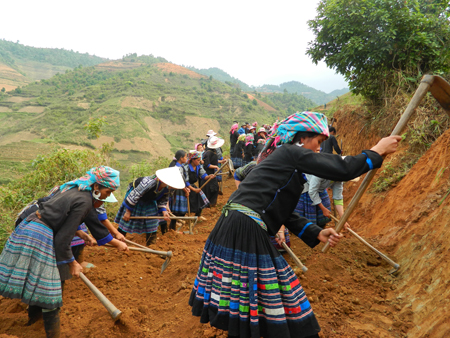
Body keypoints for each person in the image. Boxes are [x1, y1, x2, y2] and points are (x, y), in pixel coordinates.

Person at [189, 111, 401, 338]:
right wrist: (377, 150)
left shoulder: (281, 162)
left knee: (247, 298)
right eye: (318, 142)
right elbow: (343, 168)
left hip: (233, 223)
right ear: (302, 138)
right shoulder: (290, 153)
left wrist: (316, 232)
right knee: (281, 295)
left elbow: (282, 212)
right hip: (245, 226)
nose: (319, 149)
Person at [0, 166, 128, 338]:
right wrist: (73, 263)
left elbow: (59, 216)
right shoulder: (84, 200)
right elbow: (62, 240)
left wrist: (80, 233)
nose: (107, 195)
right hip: (39, 236)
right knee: (50, 292)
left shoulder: (75, 189)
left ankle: (34, 324)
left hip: (32, 228)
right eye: (108, 191)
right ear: (96, 187)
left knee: (42, 283)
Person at [115, 167, 185, 245]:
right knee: (127, 220)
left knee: (153, 221)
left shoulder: (170, 188)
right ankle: (117, 241)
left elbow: (164, 199)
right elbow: (135, 195)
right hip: (135, 198)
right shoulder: (149, 182)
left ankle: (151, 245)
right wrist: (128, 211)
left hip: (150, 200)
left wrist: (164, 211)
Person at [168, 151, 191, 232]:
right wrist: (185, 190)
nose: (186, 158)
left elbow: (183, 180)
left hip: (180, 189)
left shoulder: (181, 166)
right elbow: (179, 181)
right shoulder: (176, 167)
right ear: (181, 158)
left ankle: (173, 227)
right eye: (185, 157)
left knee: (177, 211)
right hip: (177, 190)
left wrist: (186, 188)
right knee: (176, 211)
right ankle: (172, 228)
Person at [186, 151, 212, 216]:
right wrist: (194, 190)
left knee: (201, 198)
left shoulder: (199, 167)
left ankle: (198, 216)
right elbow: (185, 181)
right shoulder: (186, 167)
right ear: (193, 160)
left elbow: (204, 176)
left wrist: (209, 176)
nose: (199, 161)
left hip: (192, 185)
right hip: (185, 187)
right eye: (198, 160)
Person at [201, 136, 224, 207]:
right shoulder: (208, 153)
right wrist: (216, 167)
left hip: (212, 172)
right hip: (208, 173)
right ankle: (208, 204)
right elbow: (207, 164)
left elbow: (214, 161)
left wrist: (221, 161)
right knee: (209, 188)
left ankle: (212, 203)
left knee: (215, 188)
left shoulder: (213, 151)